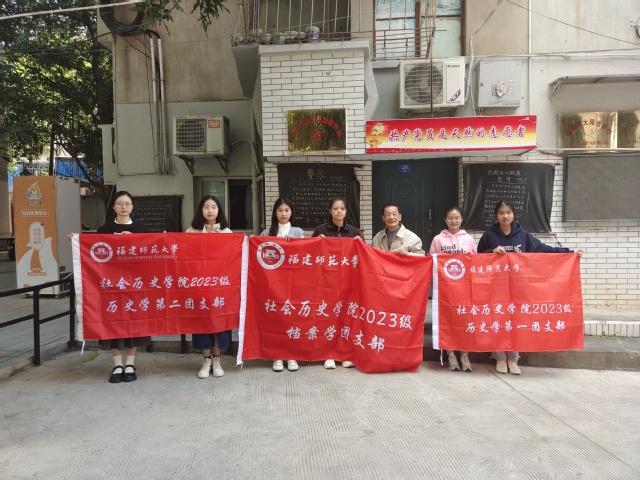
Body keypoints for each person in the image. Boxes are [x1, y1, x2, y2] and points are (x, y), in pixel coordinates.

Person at [477, 200, 584, 375]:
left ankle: (513, 359)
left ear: (514, 214)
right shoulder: (489, 236)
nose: (505, 216)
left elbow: (543, 249)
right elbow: (478, 258)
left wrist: (569, 252)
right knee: (499, 321)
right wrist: (491, 252)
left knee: (516, 322)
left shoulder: (523, 235)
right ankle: (500, 358)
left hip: (519, 288)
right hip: (497, 288)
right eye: (501, 213)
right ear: (496, 215)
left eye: (508, 212)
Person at [97, 191, 151, 384]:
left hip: (135, 285)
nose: (124, 207)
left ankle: (130, 363)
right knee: (114, 323)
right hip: (111, 286)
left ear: (132, 206)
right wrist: (76, 240)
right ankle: (117, 364)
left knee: (133, 323)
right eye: (120, 203)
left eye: (127, 203)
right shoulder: (104, 230)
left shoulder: (141, 230)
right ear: (113, 207)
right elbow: (94, 253)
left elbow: (150, 256)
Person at [186, 195, 233, 379]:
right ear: (201, 210)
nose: (210, 210)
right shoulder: (192, 232)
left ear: (219, 210)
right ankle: (206, 361)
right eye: (206, 207)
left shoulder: (227, 232)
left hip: (220, 286)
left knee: (219, 322)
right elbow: (184, 256)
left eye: (214, 207)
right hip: (199, 285)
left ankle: (217, 360)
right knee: (202, 322)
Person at [312, 197, 360, 370]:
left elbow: (362, 255)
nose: (339, 211)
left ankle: (344, 354)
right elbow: (311, 255)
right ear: (330, 211)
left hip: (347, 284)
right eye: (335, 208)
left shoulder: (353, 231)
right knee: (327, 319)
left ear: (346, 211)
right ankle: (328, 354)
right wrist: (317, 242)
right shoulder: (321, 230)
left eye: (342, 209)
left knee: (346, 319)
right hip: (326, 284)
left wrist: (360, 244)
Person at [429, 207, 477, 372]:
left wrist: (471, 256)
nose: (454, 221)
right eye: (450, 218)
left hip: (465, 288)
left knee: (464, 320)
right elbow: (431, 259)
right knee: (447, 320)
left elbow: (477, 261)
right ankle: (450, 354)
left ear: (462, 219)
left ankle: (464, 354)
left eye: (457, 218)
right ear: (445, 220)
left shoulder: (468, 239)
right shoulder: (438, 239)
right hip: (445, 288)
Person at [260, 197, 305, 372]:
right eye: (280, 210)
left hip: (293, 283)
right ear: (275, 213)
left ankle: (292, 354)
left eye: (286, 210)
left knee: (292, 318)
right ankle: (277, 355)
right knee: (276, 319)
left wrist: (295, 244)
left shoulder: (298, 231)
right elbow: (258, 254)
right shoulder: (266, 232)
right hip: (272, 283)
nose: (283, 214)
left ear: (291, 212)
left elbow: (305, 255)